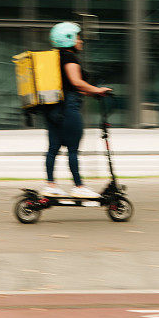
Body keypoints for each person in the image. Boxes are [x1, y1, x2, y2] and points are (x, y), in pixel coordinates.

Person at [42, 22, 111, 198]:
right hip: (68, 109)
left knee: (53, 149)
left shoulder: (55, 58)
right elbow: (76, 82)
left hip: (53, 109)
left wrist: (91, 93)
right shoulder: (69, 57)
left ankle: (50, 185)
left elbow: (69, 86)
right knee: (73, 149)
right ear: (68, 38)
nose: (81, 41)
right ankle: (79, 187)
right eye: (78, 37)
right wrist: (98, 90)